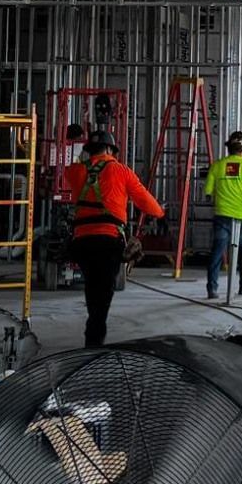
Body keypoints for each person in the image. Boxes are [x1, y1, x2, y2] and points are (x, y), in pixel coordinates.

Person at [60, 128, 164, 347]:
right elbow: (146, 202)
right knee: (103, 292)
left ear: (89, 150)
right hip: (108, 241)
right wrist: (160, 214)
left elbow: (67, 171)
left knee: (93, 286)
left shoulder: (75, 171)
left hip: (82, 241)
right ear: (110, 149)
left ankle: (94, 331)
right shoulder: (122, 171)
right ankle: (94, 340)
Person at [204, 129, 242, 299]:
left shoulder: (217, 166)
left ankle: (212, 289)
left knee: (217, 252)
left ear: (228, 148)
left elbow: (208, 191)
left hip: (222, 215)